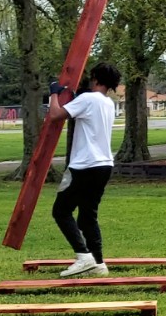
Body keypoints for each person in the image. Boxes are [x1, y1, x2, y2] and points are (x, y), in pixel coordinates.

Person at [47, 61, 120, 278]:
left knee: (61, 211)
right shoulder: (108, 104)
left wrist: (53, 93)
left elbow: (55, 115)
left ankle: (84, 256)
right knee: (88, 216)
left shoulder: (88, 99)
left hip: (85, 165)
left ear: (95, 79)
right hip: (104, 165)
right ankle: (98, 262)